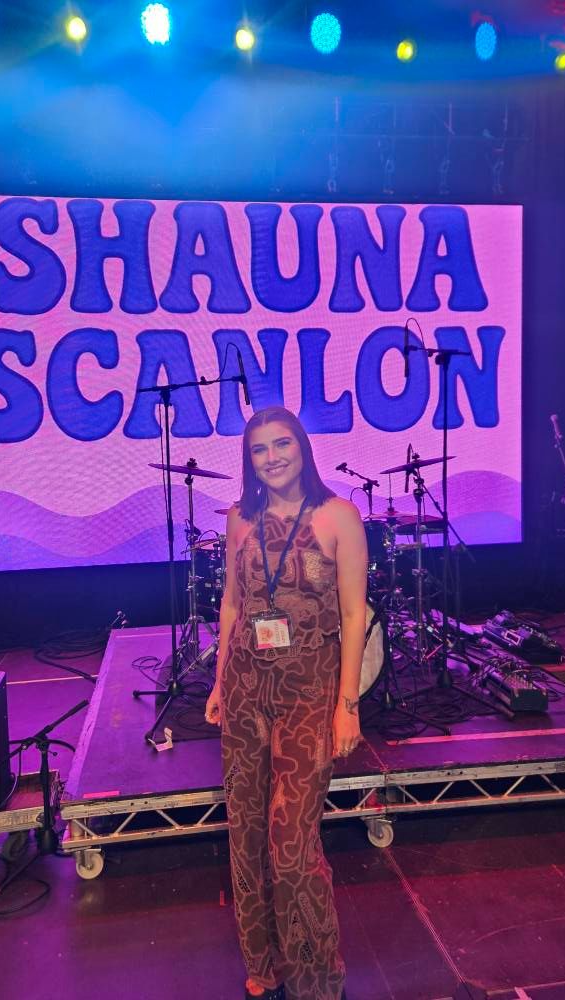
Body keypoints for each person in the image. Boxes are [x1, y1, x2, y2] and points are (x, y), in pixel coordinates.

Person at [205, 406, 368, 1000]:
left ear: (302, 447)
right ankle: (263, 968)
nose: (271, 458)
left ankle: (318, 981)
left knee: (293, 847)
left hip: (309, 690)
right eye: (259, 449)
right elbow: (231, 604)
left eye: (282, 444)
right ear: (249, 459)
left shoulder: (339, 516)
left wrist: (347, 705)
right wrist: (219, 682)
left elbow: (354, 615)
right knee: (246, 835)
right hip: (246, 687)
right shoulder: (239, 519)